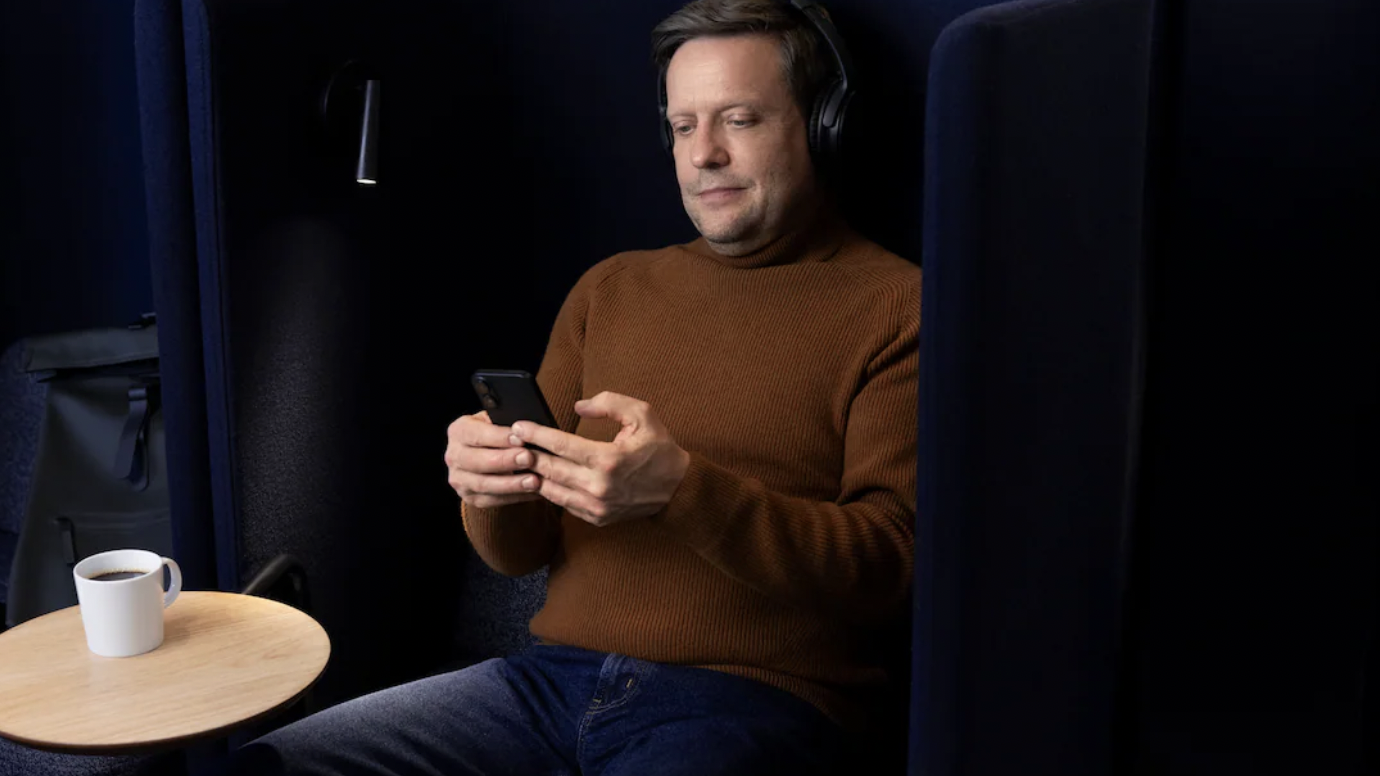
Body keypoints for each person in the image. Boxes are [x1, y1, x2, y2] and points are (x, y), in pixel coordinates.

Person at [232, 0, 918, 773]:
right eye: (684, 125)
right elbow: (517, 554)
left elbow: (891, 568)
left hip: (756, 701)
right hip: (544, 687)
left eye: (740, 119)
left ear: (823, 126)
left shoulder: (895, 305)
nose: (705, 154)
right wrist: (491, 491)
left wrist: (684, 491)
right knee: (264, 766)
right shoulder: (611, 289)